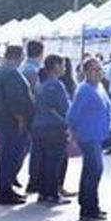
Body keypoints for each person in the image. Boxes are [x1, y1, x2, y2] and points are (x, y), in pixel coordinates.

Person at [67, 56, 111, 221]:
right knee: (93, 171)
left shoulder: (98, 86)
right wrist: (73, 132)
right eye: (94, 70)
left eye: (100, 69)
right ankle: (88, 209)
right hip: (88, 136)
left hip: (97, 135)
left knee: (93, 171)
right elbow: (72, 114)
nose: (99, 73)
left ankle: (92, 206)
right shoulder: (85, 89)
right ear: (85, 72)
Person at [0, 45, 34, 205]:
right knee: (10, 155)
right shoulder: (11, 72)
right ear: (18, 55)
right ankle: (5, 191)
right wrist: (21, 118)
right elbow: (14, 98)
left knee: (5, 156)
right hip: (11, 121)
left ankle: (5, 188)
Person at [30, 55, 72, 204]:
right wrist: (70, 125)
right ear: (55, 66)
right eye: (62, 65)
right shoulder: (57, 85)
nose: (64, 69)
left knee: (44, 161)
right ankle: (53, 193)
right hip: (54, 127)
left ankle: (43, 192)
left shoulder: (40, 85)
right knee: (54, 162)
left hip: (38, 127)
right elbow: (65, 108)